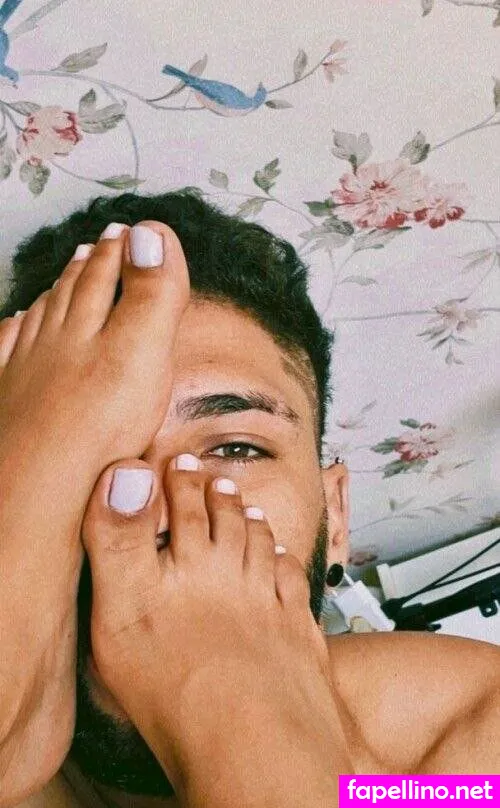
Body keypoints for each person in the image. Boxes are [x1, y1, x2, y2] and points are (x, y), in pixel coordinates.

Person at [0, 191, 498, 808]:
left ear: (335, 518)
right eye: (81, 458)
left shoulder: (464, 765)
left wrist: (246, 735)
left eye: (237, 449)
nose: (153, 516)